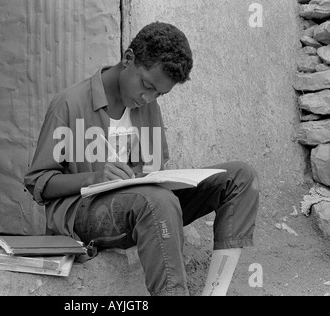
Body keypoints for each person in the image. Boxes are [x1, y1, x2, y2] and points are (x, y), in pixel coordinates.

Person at [24, 22, 260, 296]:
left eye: (160, 94)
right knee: (156, 200)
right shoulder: (69, 103)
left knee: (241, 176)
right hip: (83, 213)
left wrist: (154, 177)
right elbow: (38, 183)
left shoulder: (147, 107)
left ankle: (214, 293)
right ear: (128, 58)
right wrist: (93, 178)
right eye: (147, 86)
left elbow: (152, 171)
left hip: (142, 205)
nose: (149, 98)